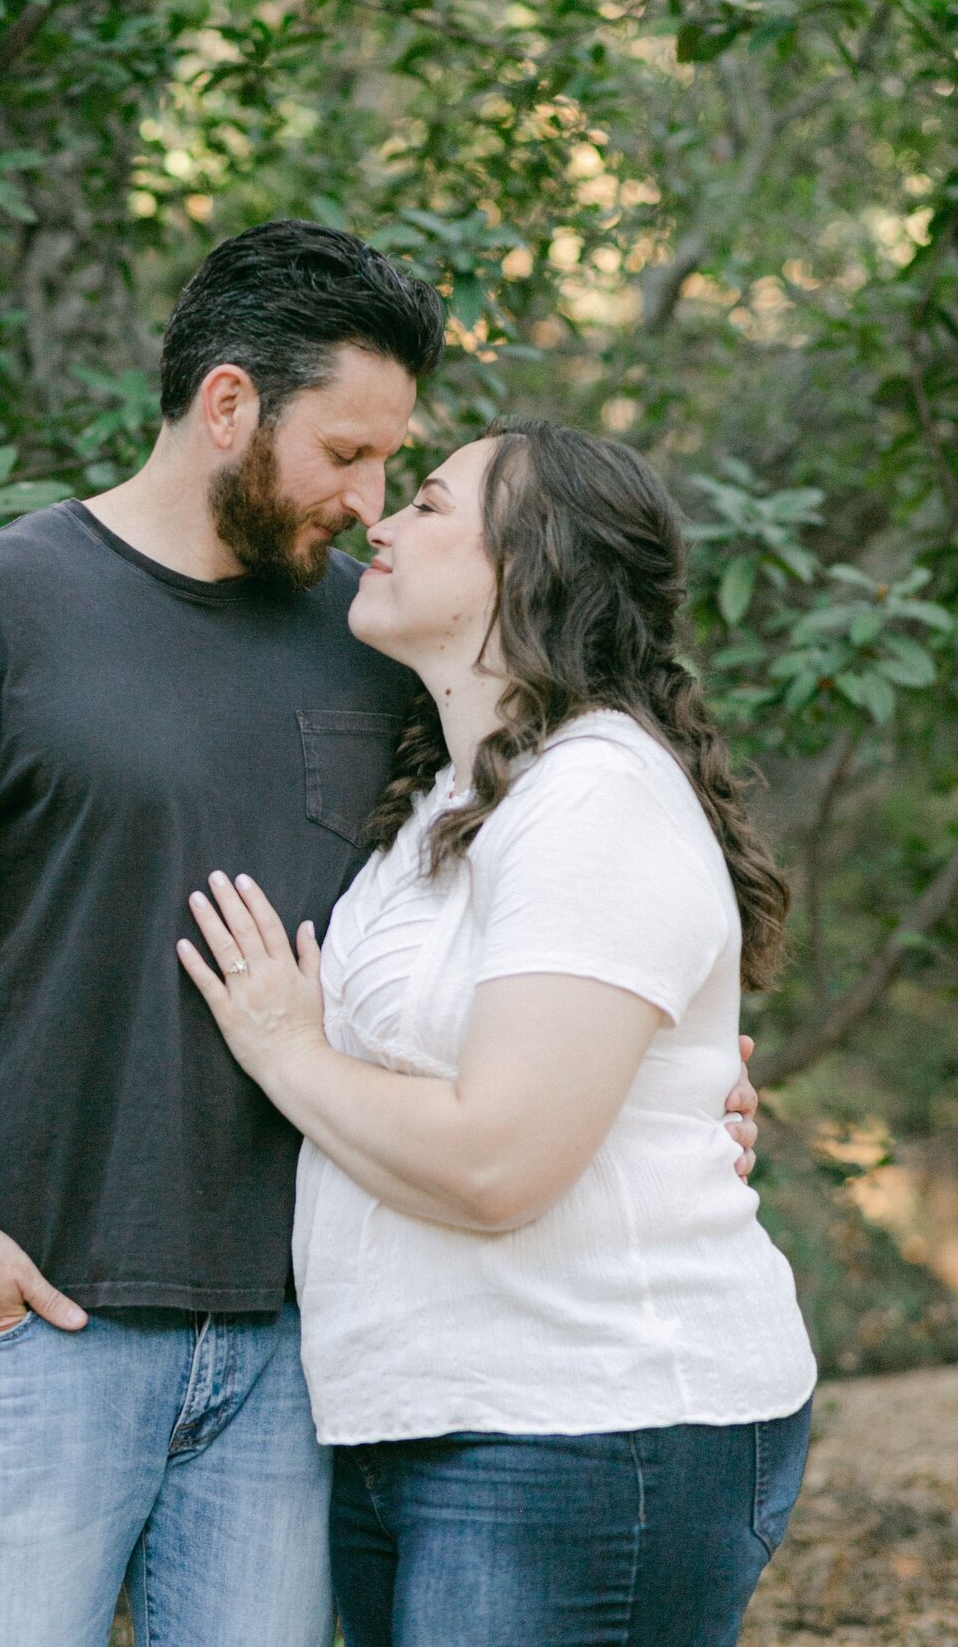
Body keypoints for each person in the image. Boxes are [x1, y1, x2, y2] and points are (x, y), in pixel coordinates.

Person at [0, 223, 761, 1647]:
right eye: (348, 455)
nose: (373, 503)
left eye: (396, 469)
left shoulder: (374, 635)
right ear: (231, 404)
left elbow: (540, 898)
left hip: (304, 1351)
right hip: (36, 1318)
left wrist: (683, 1088)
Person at [178, 419, 816, 1647]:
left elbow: (497, 1163)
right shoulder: (453, 804)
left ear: (529, 566)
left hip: (586, 1424)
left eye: (424, 505)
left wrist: (286, 1051)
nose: (380, 524)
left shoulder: (598, 798)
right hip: (421, 1417)